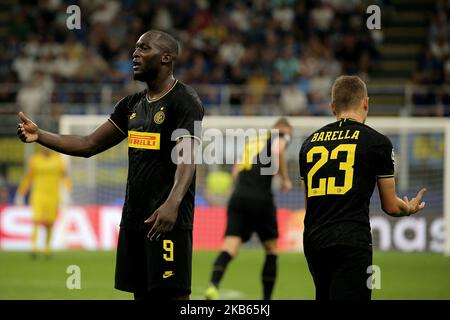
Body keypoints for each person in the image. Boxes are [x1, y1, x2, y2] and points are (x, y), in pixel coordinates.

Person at [17, 30, 204, 300]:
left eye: (143, 48)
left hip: (167, 221)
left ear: (166, 57)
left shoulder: (184, 101)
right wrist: (40, 135)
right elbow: (89, 143)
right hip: (134, 222)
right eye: (135, 48)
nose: (134, 54)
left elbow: (187, 157)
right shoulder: (131, 105)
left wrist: (173, 202)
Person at [299, 75, 426, 300]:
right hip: (351, 241)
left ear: (332, 107)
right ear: (366, 103)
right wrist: (408, 208)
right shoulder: (377, 142)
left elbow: (309, 206)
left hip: (314, 241)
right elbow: (390, 206)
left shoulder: (309, 143)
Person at [205, 118, 293, 300]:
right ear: (281, 129)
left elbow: (236, 171)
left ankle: (213, 286)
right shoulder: (280, 136)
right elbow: (279, 150)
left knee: (229, 247)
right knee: (271, 250)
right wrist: (284, 178)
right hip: (261, 198)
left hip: (238, 198)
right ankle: (266, 300)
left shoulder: (253, 142)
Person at [15, 146, 71, 258]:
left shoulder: (59, 159)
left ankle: (47, 249)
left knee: (50, 222)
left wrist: (67, 191)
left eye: (48, 147)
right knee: (36, 220)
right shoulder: (35, 159)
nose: (46, 149)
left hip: (54, 195)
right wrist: (21, 193)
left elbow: (64, 176)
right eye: (44, 147)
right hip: (38, 194)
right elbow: (29, 177)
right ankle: (34, 248)